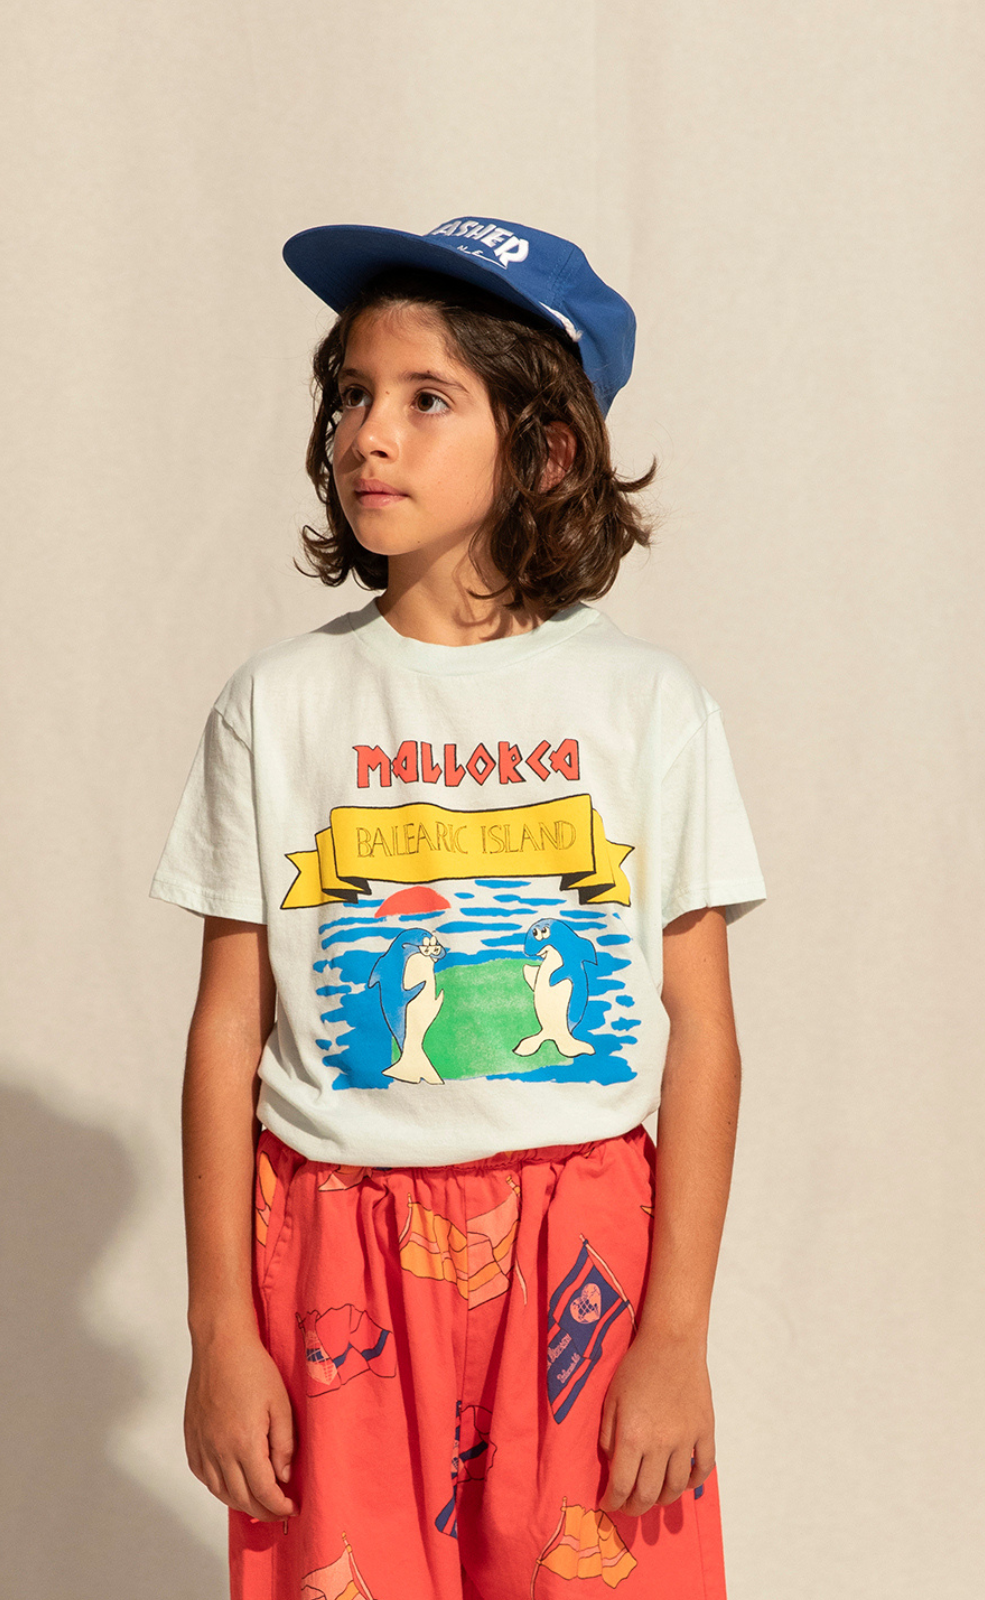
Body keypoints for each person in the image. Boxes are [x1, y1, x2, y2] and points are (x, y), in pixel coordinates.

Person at [150, 215, 766, 1600]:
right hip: (334, 1257)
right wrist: (219, 1329)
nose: (369, 434)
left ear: (544, 451)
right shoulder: (277, 706)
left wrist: (675, 1335)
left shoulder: (646, 706)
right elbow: (225, 1030)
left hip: (583, 1243)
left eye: (429, 399)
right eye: (353, 395)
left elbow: (705, 1034)